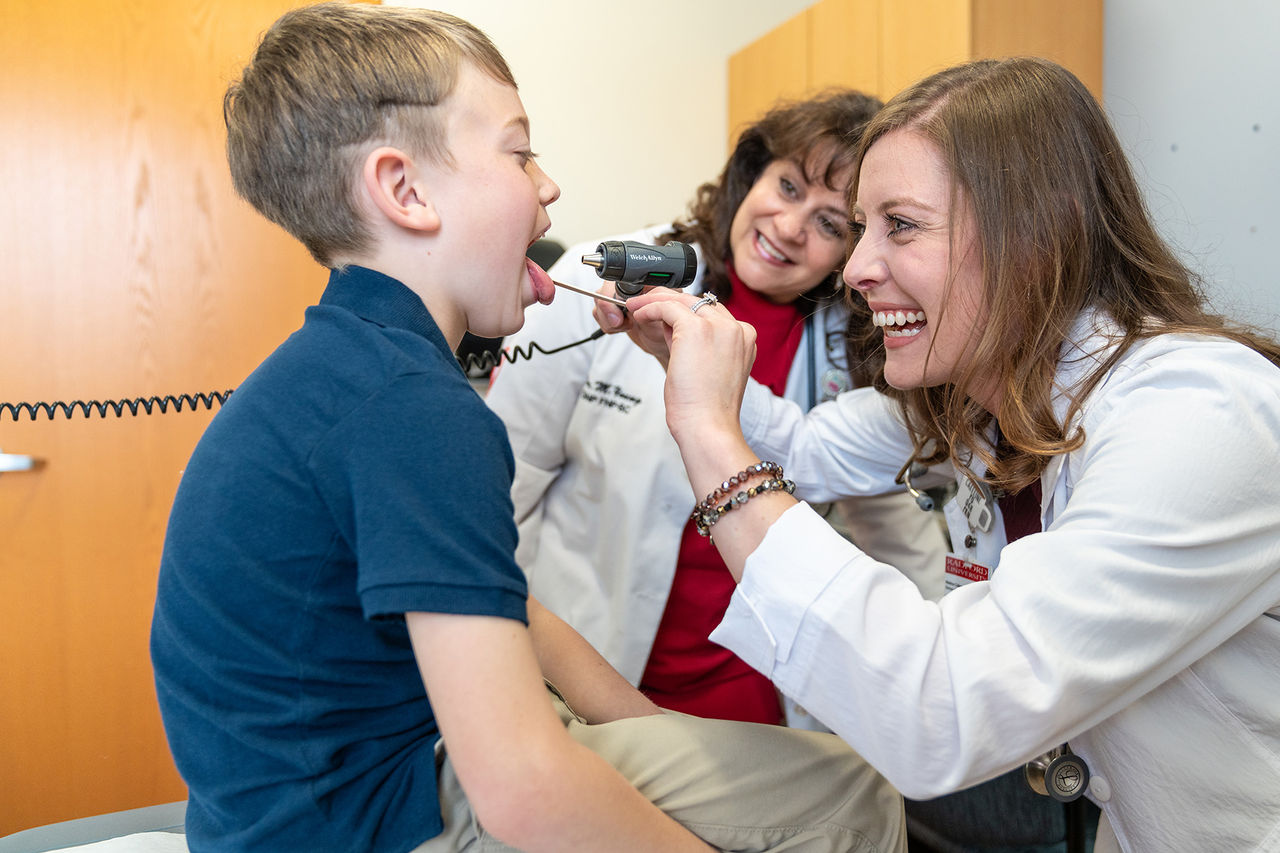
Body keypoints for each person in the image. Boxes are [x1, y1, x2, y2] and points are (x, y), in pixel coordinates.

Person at [149, 4, 907, 852]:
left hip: (315, 800)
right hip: (367, 821)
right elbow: (521, 789)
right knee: (853, 797)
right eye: (519, 152)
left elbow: (511, 607)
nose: (548, 186)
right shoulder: (415, 411)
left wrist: (654, 730)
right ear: (404, 190)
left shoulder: (356, 369)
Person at [621, 56, 1280, 852]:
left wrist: (706, 433)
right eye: (861, 229)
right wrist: (684, 351)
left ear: (1039, 232)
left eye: (899, 225)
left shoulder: (1199, 414)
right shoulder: (979, 402)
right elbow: (800, 446)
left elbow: (941, 708)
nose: (857, 270)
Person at [486, 90, 948, 728]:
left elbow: (889, 521)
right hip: (589, 666)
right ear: (750, 175)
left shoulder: (862, 345)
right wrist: (501, 660)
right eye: (787, 187)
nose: (789, 228)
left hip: (750, 689)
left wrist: (933, 663)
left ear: (855, 250)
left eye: (830, 224)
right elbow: (507, 485)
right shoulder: (611, 278)